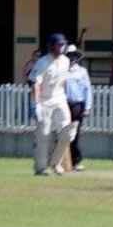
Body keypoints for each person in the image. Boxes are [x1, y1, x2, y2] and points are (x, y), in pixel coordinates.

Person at [27, 33, 73, 176]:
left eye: (63, 44)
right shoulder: (42, 62)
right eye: (59, 44)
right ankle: (40, 168)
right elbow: (35, 84)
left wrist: (66, 99)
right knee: (44, 135)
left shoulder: (66, 61)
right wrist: (36, 105)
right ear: (52, 46)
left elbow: (64, 81)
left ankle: (55, 163)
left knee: (68, 132)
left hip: (60, 99)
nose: (62, 47)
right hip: (44, 101)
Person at [63, 44, 93, 172]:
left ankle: (76, 162)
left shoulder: (82, 72)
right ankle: (62, 162)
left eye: (73, 56)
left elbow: (87, 90)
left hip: (77, 106)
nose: (71, 59)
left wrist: (87, 107)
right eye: (69, 56)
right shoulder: (62, 72)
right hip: (63, 105)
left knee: (74, 134)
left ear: (76, 57)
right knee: (62, 133)